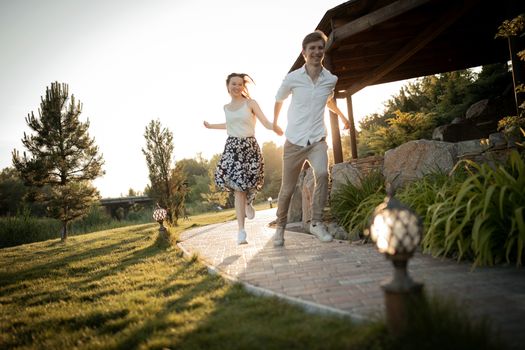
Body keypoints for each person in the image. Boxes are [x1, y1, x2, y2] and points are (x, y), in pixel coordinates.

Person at [272, 30, 350, 247]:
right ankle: (280, 228)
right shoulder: (293, 78)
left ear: (323, 51)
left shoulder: (330, 80)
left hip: (317, 139)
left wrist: (342, 116)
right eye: (312, 48)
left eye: (319, 48)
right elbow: (279, 99)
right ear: (304, 52)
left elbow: (328, 101)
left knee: (323, 173)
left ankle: (316, 222)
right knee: (287, 189)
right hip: (294, 141)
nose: (316, 52)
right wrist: (274, 122)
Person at [204, 73, 283, 245]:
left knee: (251, 183)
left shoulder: (250, 103)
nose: (237, 87)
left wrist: (274, 127)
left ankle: (248, 202)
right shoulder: (226, 107)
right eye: (234, 84)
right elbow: (229, 125)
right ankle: (241, 231)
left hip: (250, 147)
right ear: (228, 86)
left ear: (243, 86)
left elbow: (265, 122)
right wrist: (211, 126)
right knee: (238, 189)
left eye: (240, 84)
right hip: (233, 148)